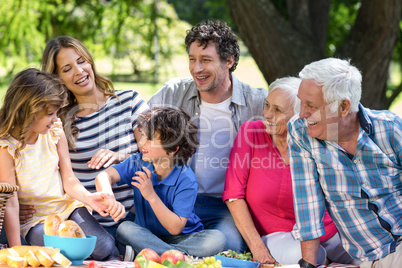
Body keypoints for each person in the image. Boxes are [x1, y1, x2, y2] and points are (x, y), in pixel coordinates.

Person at [148, 20, 268, 252]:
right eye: (192, 59)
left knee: (229, 246)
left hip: (227, 206)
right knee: (130, 230)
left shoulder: (257, 103)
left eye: (205, 60)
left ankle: (170, 250)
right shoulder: (174, 93)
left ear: (229, 61)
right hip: (177, 199)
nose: (196, 68)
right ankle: (186, 250)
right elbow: (139, 126)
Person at [223, 77, 358, 265]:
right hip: (279, 237)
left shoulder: (316, 141)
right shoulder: (250, 133)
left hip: (327, 231)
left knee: (378, 257)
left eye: (277, 110)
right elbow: (233, 195)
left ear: (299, 115)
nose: (267, 114)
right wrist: (258, 249)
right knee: (309, 256)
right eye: (267, 105)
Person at [27, 36, 149, 238]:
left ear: (90, 61)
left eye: (81, 61)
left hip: (133, 219)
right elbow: (35, 168)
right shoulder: (56, 122)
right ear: (57, 78)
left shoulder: (130, 101)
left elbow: (158, 160)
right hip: (85, 223)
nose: (79, 71)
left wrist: (119, 157)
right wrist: (24, 203)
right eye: (67, 69)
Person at [287, 57, 402, 268]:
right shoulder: (300, 132)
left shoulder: (391, 129)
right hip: (368, 257)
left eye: (311, 106)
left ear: (343, 107)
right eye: (300, 102)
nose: (302, 113)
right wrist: (308, 266)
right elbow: (308, 206)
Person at [0, 68, 125, 260]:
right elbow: (11, 202)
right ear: (28, 111)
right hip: (35, 221)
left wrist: (89, 198)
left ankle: (114, 257)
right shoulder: (7, 147)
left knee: (104, 246)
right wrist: (16, 249)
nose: (55, 118)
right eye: (50, 113)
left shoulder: (54, 132)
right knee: (60, 253)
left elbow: (68, 178)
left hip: (68, 208)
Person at [95, 107, 226, 256]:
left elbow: (175, 228)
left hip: (182, 238)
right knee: (125, 229)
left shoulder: (187, 180)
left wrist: (151, 195)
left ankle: (156, 253)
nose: (142, 142)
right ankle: (178, 256)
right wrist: (109, 198)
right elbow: (104, 176)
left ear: (171, 150)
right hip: (147, 235)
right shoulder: (137, 162)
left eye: (150, 139)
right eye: (143, 136)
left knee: (216, 240)